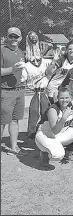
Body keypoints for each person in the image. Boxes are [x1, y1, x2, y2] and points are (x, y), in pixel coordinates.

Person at [35, 87, 73, 165]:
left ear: (70, 98)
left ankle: (68, 152)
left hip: (60, 134)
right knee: (57, 155)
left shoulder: (72, 106)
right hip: (46, 135)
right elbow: (54, 131)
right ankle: (45, 153)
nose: (64, 100)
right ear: (57, 98)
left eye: (67, 98)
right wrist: (64, 118)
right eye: (61, 98)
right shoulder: (53, 109)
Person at [1, 27, 27, 156]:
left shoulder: (21, 52)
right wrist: (12, 69)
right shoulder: (2, 50)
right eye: (11, 36)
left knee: (15, 120)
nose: (13, 39)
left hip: (20, 90)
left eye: (16, 37)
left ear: (20, 38)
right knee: (2, 122)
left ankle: (14, 147)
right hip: (6, 91)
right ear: (7, 37)